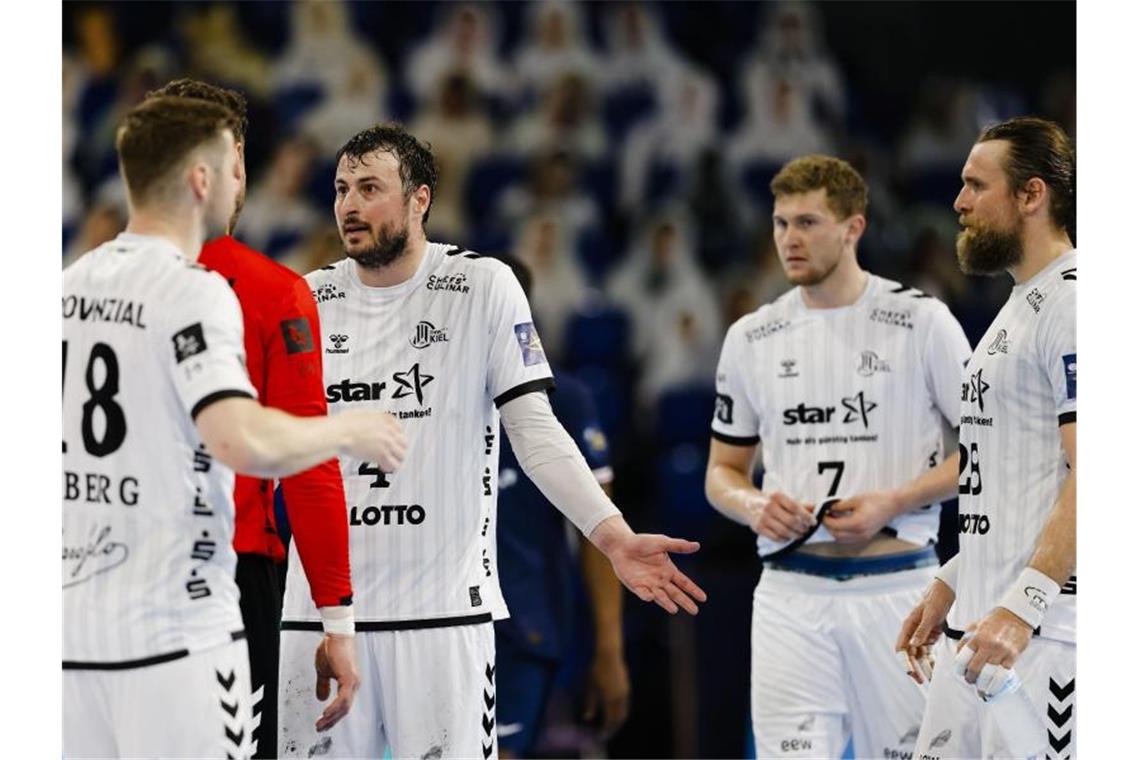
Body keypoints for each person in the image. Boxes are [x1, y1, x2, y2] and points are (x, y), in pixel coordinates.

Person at [277, 123, 706, 760]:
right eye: (341, 189)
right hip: (321, 616)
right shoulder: (307, 299)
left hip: (443, 619)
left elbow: (536, 432)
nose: (349, 205)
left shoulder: (483, 286)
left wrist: (612, 535)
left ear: (420, 199)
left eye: (370, 187)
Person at [63, 96, 407, 759]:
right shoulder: (221, 290)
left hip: (74, 623)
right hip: (188, 613)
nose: (240, 182)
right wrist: (348, 432)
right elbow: (242, 440)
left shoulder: (66, 287)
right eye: (236, 166)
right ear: (202, 178)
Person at [703, 154, 971, 758]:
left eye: (807, 222)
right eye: (779, 224)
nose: (789, 239)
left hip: (903, 591)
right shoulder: (751, 337)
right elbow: (721, 473)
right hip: (790, 594)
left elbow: (988, 455)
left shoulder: (923, 322)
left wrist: (897, 500)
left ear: (854, 228)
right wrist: (753, 505)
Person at [145, 78, 357, 759]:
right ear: (232, 163)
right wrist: (338, 620)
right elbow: (310, 466)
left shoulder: (86, 286)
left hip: (117, 575)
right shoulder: (273, 292)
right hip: (231, 577)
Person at [898, 116, 1077, 759]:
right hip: (979, 628)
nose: (959, 202)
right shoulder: (1019, 305)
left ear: (1032, 196)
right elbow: (1006, 480)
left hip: (1045, 637)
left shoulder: (1075, 305)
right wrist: (952, 579)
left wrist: (1024, 607)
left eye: (976, 185)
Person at [492, 256, 629, 758]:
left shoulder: (564, 400)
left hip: (524, 628)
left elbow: (602, 534)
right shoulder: (434, 400)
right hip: (441, 621)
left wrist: (610, 650)